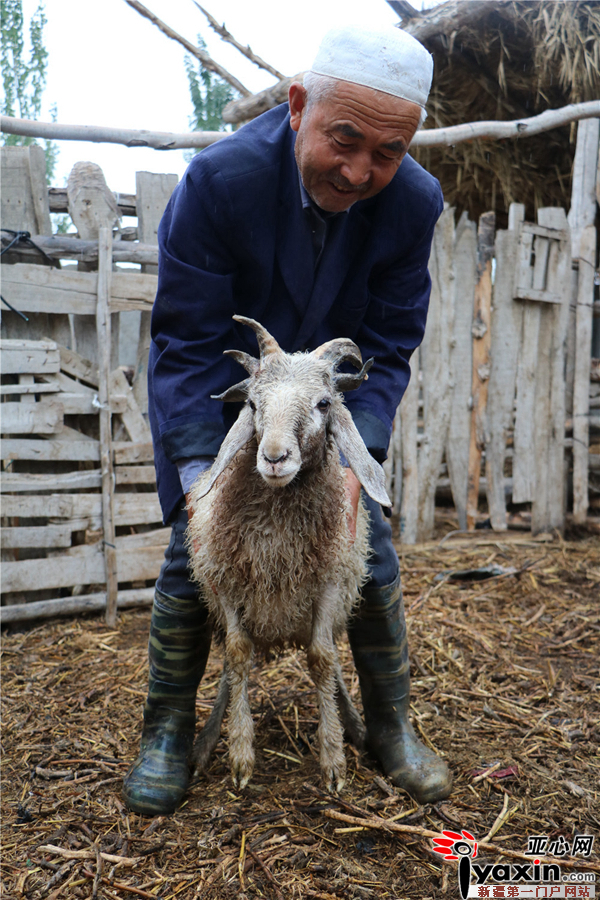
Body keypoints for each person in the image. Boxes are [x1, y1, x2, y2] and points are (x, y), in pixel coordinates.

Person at [123, 23, 452, 816]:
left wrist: (353, 458)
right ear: (299, 105)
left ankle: (391, 724)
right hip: (233, 406)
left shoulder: (413, 204)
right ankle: (166, 730)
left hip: (324, 416)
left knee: (368, 554)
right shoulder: (220, 182)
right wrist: (202, 478)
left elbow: (388, 346)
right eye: (345, 140)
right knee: (193, 554)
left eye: (389, 151)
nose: (361, 171)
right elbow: (187, 342)